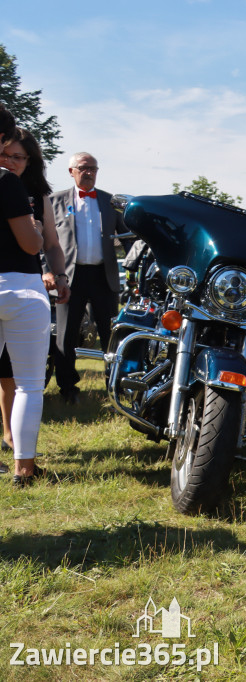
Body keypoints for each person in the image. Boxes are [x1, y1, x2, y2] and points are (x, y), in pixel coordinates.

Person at [0, 107, 69, 485]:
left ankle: (20, 461)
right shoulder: (6, 184)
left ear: (30, 160)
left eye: (18, 157)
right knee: (27, 382)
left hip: (28, 286)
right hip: (21, 288)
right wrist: (36, 234)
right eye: (6, 153)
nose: (11, 161)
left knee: (21, 380)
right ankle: (22, 467)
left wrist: (58, 273)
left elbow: (53, 245)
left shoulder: (35, 191)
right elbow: (36, 243)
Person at [49, 152, 125, 405]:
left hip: (104, 277)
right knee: (66, 336)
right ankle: (68, 389)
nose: (89, 172)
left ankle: (114, 388)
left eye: (93, 168)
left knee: (111, 336)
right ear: (71, 171)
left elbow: (128, 238)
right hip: (69, 277)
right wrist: (48, 272)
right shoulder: (54, 201)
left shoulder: (110, 201)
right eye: (83, 168)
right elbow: (43, 243)